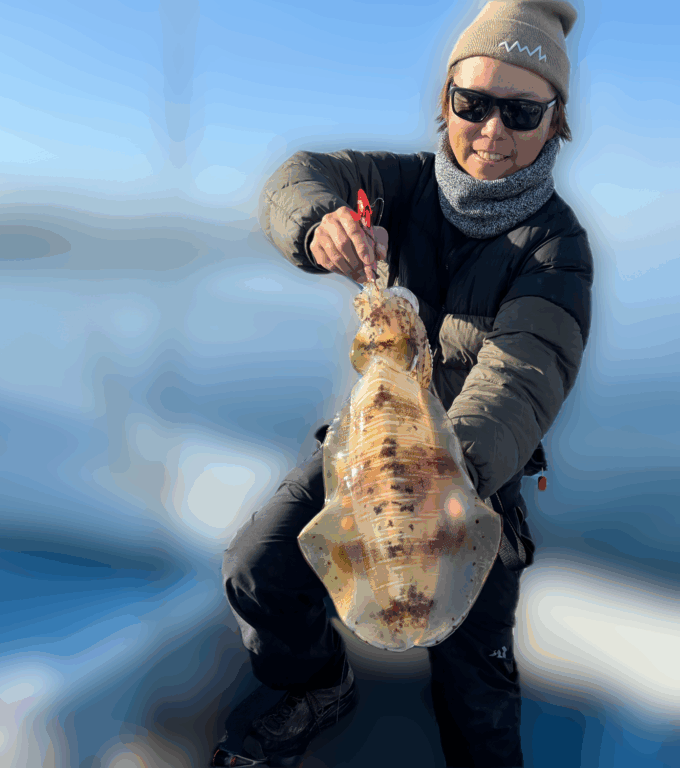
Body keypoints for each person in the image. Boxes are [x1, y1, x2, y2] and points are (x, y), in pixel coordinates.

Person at [213, 2, 592, 766]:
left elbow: (522, 373)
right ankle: (316, 684)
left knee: (476, 693)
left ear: (556, 121)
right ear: (445, 102)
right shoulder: (402, 186)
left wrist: (440, 476)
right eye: (473, 103)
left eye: (521, 112)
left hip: (470, 473)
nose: (491, 132)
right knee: (259, 566)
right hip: (366, 447)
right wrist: (320, 222)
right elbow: (299, 178)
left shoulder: (556, 247)